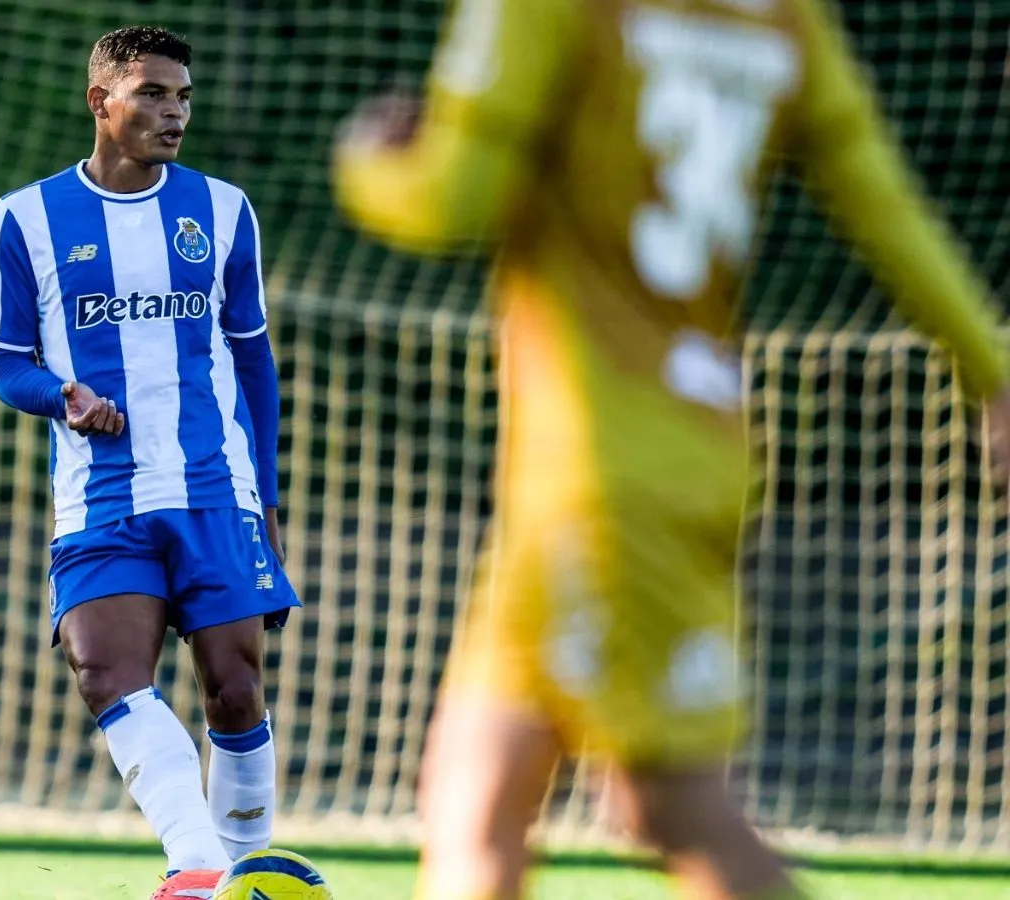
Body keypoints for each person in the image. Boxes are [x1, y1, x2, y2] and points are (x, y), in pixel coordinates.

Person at [331, 1, 1010, 898]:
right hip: (684, 447)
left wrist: (368, 163)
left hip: (595, 472)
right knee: (477, 794)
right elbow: (887, 207)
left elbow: (450, 200)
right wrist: (994, 374)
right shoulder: (784, 18)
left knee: (663, 802)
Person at [0, 25, 300, 892]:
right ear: (100, 101)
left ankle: (243, 870)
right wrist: (65, 397)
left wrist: (267, 496)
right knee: (103, 672)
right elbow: (7, 365)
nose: (174, 112)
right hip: (101, 496)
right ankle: (201, 871)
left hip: (213, 487)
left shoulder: (223, 211)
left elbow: (254, 361)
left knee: (235, 688)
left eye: (183, 96)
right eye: (153, 93)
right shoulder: (25, 219)